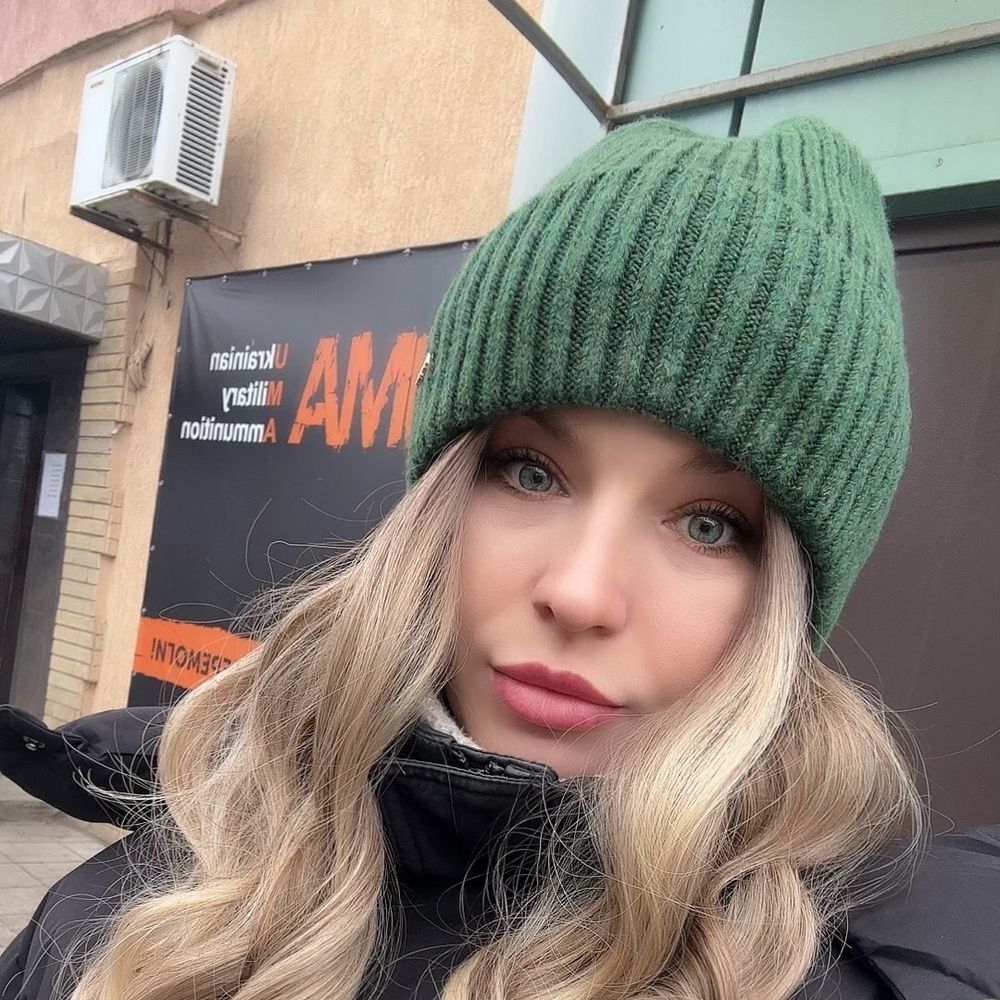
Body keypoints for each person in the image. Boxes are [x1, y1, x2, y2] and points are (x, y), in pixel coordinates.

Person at [2, 116, 998, 1000]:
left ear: (787, 598)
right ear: (439, 495)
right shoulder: (124, 929)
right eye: (531, 472)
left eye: (708, 525)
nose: (580, 592)